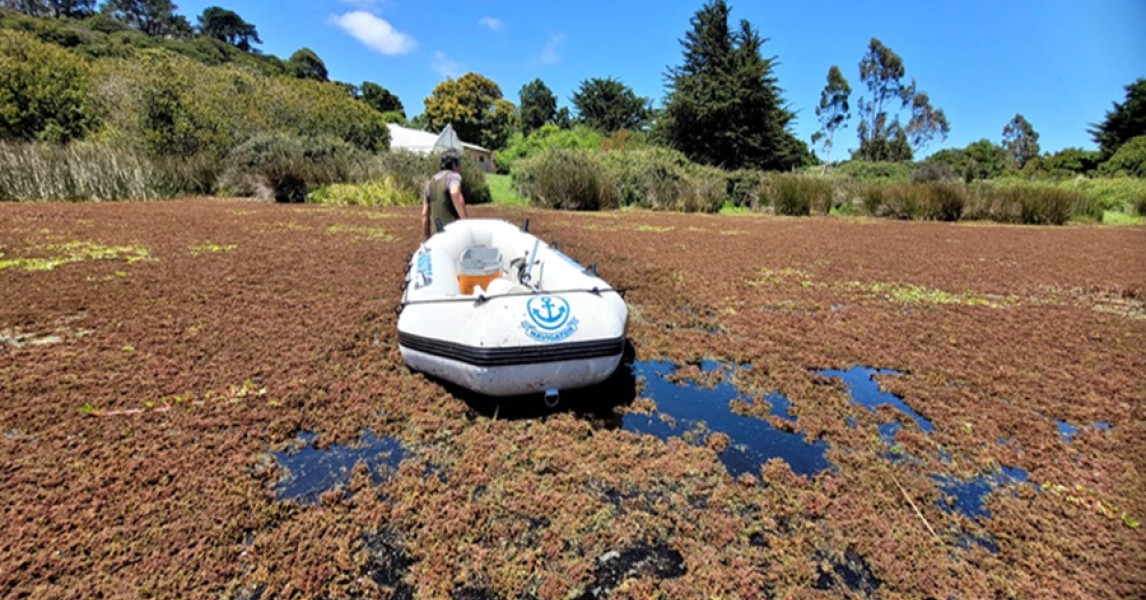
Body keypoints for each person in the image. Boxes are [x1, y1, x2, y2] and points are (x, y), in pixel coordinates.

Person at [422, 149, 468, 240]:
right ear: (454, 165)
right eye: (459, 164)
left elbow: (425, 215)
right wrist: (466, 223)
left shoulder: (430, 183)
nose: (460, 168)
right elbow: (455, 192)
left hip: (436, 236)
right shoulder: (453, 176)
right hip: (453, 234)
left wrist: (426, 238)